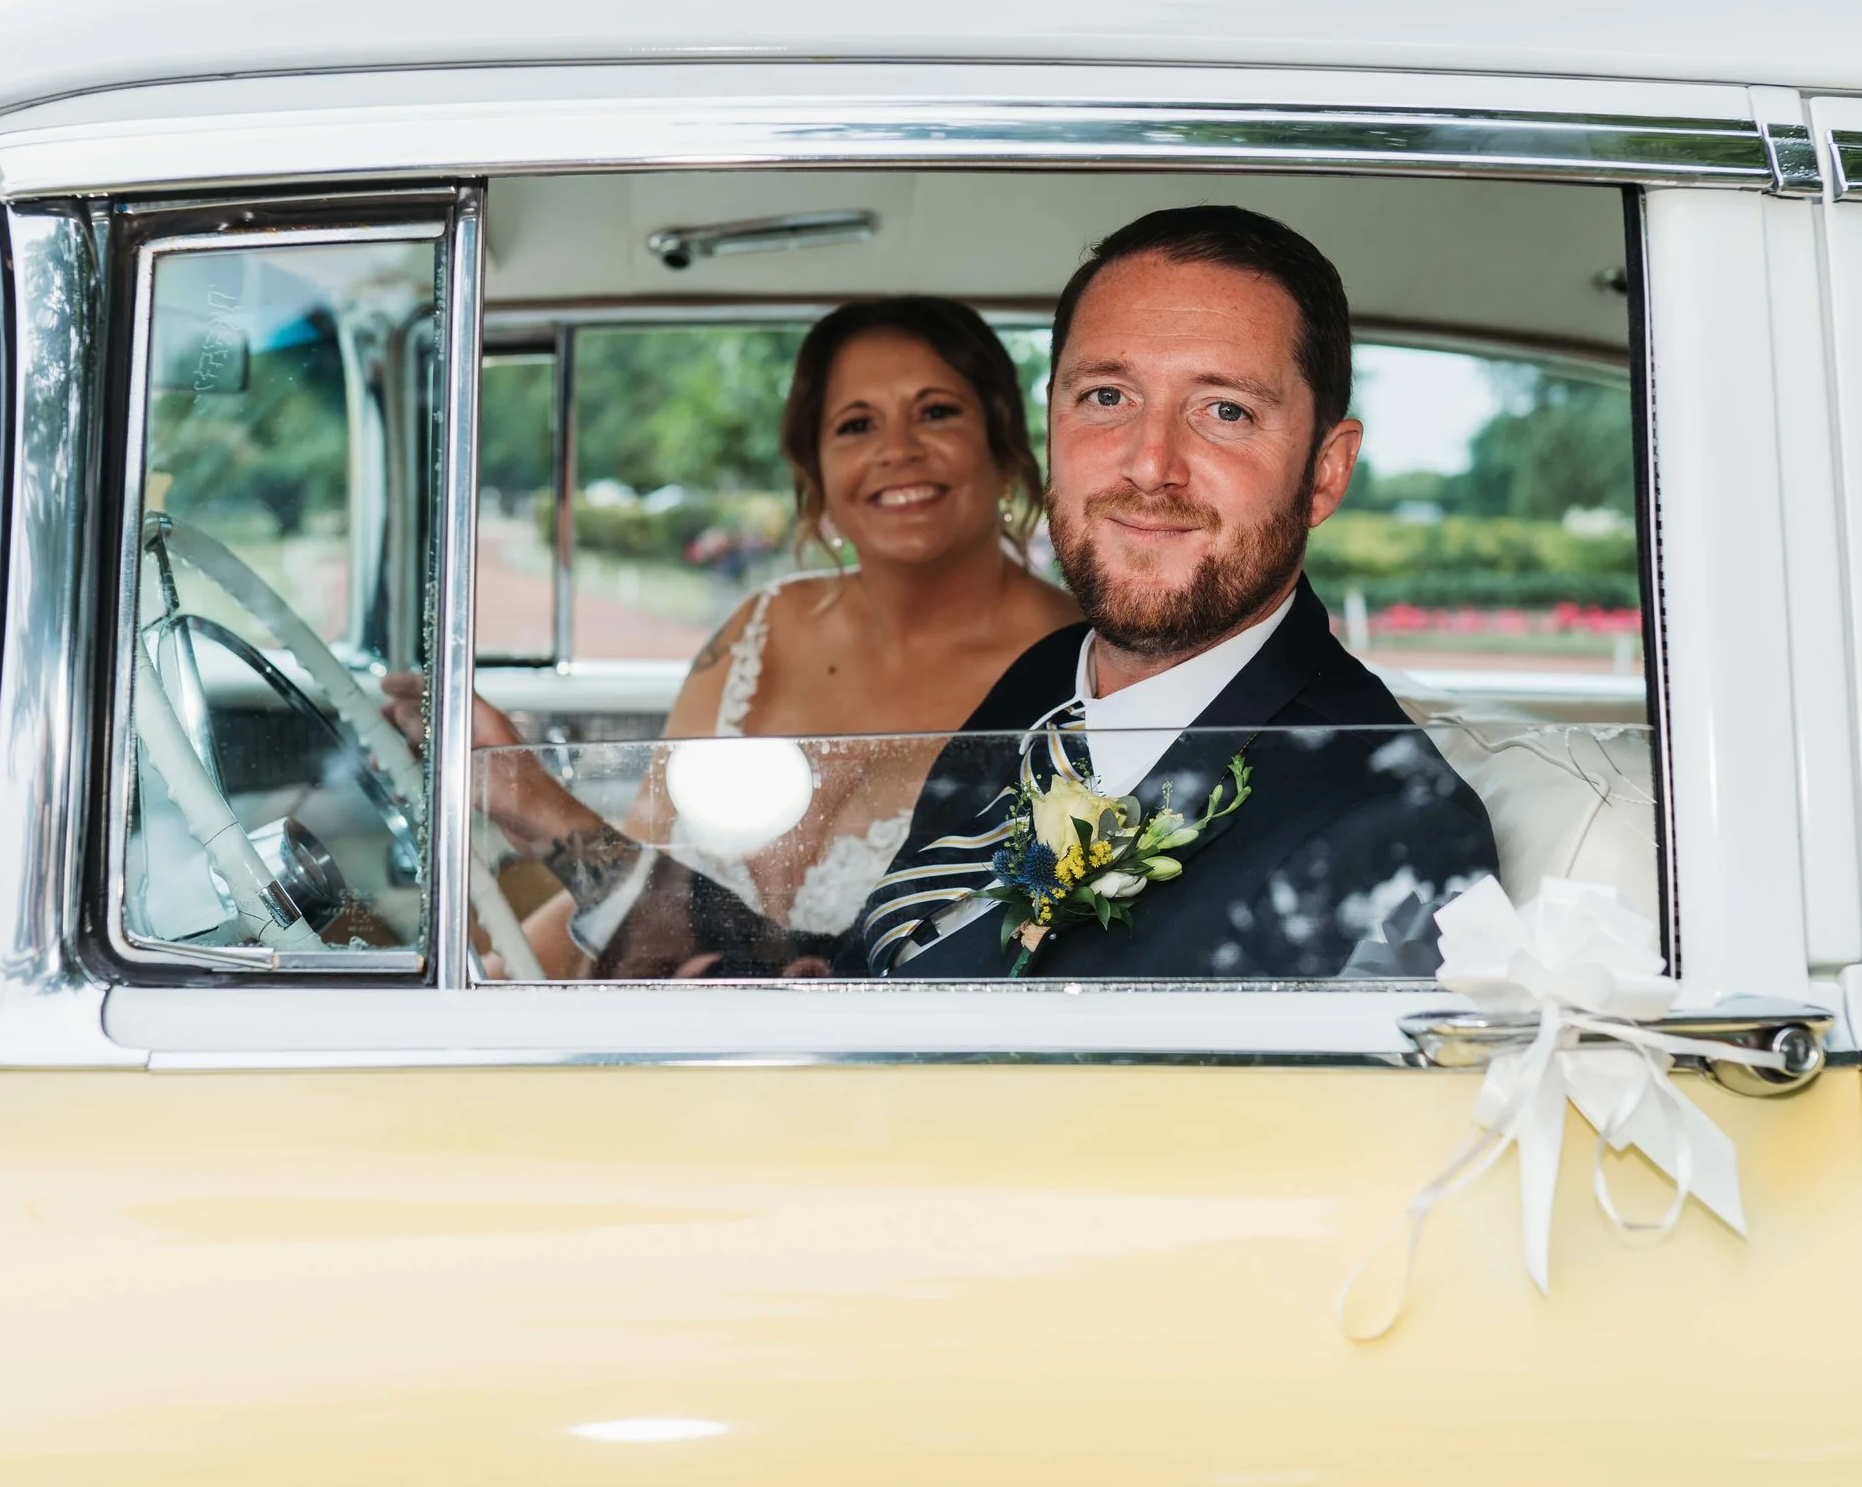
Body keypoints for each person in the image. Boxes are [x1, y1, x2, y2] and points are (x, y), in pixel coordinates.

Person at [485, 205, 1500, 979]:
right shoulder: (1043, 688)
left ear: (1325, 471)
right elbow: (895, 965)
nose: (1151, 464)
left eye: (1224, 411)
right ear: (1054, 420)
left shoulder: (1386, 821)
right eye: (1107, 397)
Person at [396, 297, 1078, 976]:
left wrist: (537, 803)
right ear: (816, 471)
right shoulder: (761, 627)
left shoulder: (1079, 668)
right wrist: (493, 975)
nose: (897, 450)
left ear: (1004, 440)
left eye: (937, 412)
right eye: (856, 424)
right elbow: (635, 863)